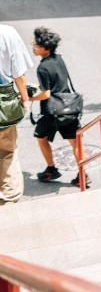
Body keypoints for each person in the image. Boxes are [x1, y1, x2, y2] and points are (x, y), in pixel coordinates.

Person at [29, 27, 85, 187]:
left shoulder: (42, 67)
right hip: (69, 107)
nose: (33, 48)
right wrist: (39, 85)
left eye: (36, 46)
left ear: (46, 49)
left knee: (41, 138)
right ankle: (82, 175)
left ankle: (51, 169)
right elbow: (58, 80)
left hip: (51, 112)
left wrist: (30, 97)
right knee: (74, 142)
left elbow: (46, 94)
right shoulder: (58, 58)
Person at [0, 24, 34, 205]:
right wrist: (25, 99)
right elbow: (19, 75)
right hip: (2, 105)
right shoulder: (7, 33)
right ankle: (8, 200)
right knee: (7, 151)